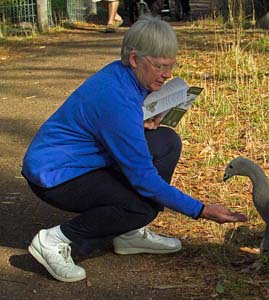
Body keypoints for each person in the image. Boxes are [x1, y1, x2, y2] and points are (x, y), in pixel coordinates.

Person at [22, 16, 247, 283]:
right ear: (133, 59)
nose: (166, 75)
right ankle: (56, 240)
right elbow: (144, 179)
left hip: (82, 160)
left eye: (171, 67)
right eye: (160, 67)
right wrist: (201, 210)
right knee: (142, 207)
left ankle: (129, 234)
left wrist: (142, 118)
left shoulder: (121, 75)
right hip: (55, 176)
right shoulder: (115, 101)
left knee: (166, 142)